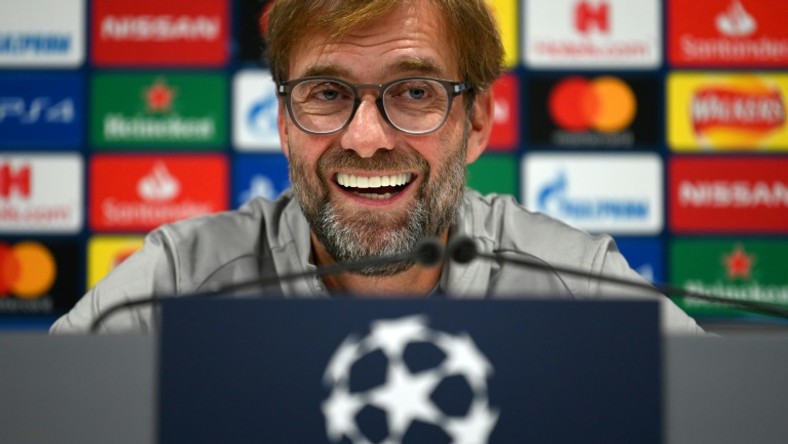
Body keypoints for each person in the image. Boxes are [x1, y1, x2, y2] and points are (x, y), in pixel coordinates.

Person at [51, 0, 703, 334]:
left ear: (475, 123)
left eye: (415, 92)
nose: (365, 139)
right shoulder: (174, 287)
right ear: (283, 124)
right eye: (327, 93)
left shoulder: (583, 292)